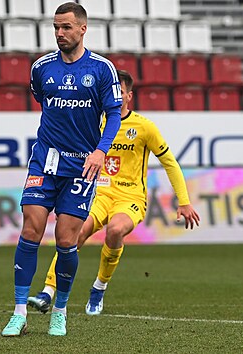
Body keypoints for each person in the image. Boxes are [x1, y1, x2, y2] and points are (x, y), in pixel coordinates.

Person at [27, 70, 201, 317]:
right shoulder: (96, 122)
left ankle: (99, 287)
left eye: (120, 92)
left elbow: (170, 162)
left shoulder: (144, 127)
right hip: (98, 193)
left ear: (129, 95)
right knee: (75, 233)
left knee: (116, 230)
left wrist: (183, 201)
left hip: (130, 198)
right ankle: (48, 291)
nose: (115, 96)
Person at [1, 2, 122, 337]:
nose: (60, 33)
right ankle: (19, 312)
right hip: (45, 161)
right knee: (30, 230)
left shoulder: (101, 69)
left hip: (82, 166)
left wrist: (100, 151)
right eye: (56, 27)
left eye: (66, 27)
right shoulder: (41, 68)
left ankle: (60, 310)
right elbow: (42, 100)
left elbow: (113, 115)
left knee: (66, 240)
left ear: (83, 29)